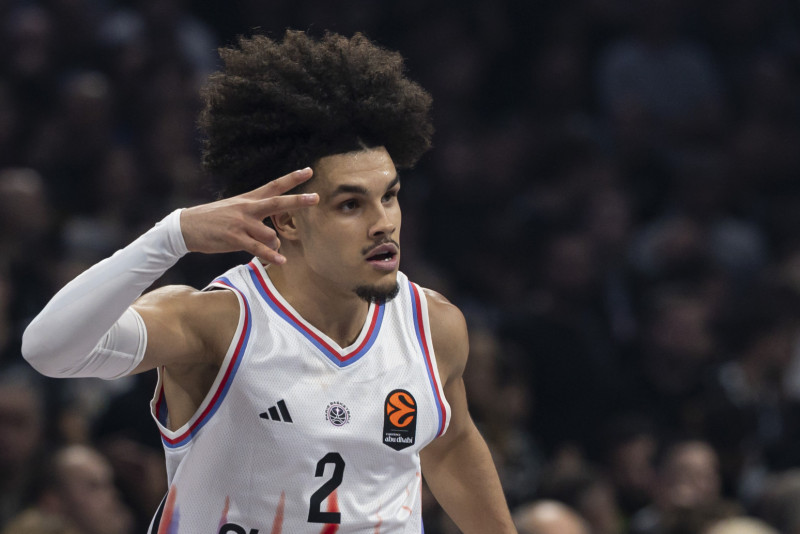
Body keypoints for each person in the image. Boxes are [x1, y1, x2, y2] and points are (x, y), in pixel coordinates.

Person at [21, 30, 516, 533]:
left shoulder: (433, 325)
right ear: (288, 221)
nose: (383, 223)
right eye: (351, 204)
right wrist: (172, 236)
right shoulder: (218, 323)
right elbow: (48, 350)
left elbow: (449, 444)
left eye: (389, 196)